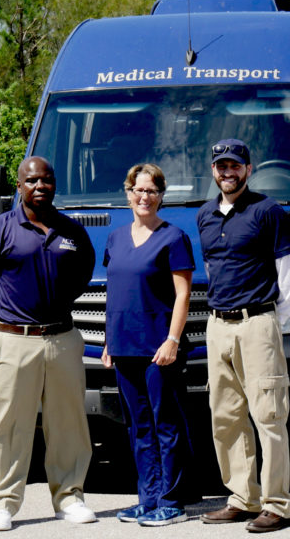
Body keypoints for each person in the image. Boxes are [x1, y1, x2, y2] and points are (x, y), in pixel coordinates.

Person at [0, 156, 97, 532]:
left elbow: (82, 275)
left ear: (55, 184)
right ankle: (2, 501)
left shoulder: (72, 231)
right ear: (19, 187)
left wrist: (57, 302)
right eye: (31, 180)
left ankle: (69, 497)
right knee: (9, 425)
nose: (40, 186)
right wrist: (0, 313)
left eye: (46, 180)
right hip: (14, 341)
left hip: (63, 340)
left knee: (68, 423)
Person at [196, 139, 290, 533]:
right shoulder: (205, 214)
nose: (227, 172)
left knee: (269, 416)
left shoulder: (268, 211)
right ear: (213, 170)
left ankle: (277, 505)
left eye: (234, 165)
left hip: (257, 323)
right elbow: (213, 268)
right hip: (217, 325)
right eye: (221, 165)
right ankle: (243, 498)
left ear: (248, 168)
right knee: (225, 416)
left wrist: (268, 320)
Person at [101, 164, 198, 527]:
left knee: (166, 424)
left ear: (161, 196)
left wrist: (172, 340)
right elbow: (115, 291)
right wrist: (111, 339)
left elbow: (183, 294)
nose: (144, 197)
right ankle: (149, 497)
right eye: (138, 190)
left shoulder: (174, 238)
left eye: (152, 191)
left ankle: (172, 501)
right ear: (128, 193)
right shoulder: (115, 238)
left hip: (159, 348)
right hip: (124, 346)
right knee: (138, 426)